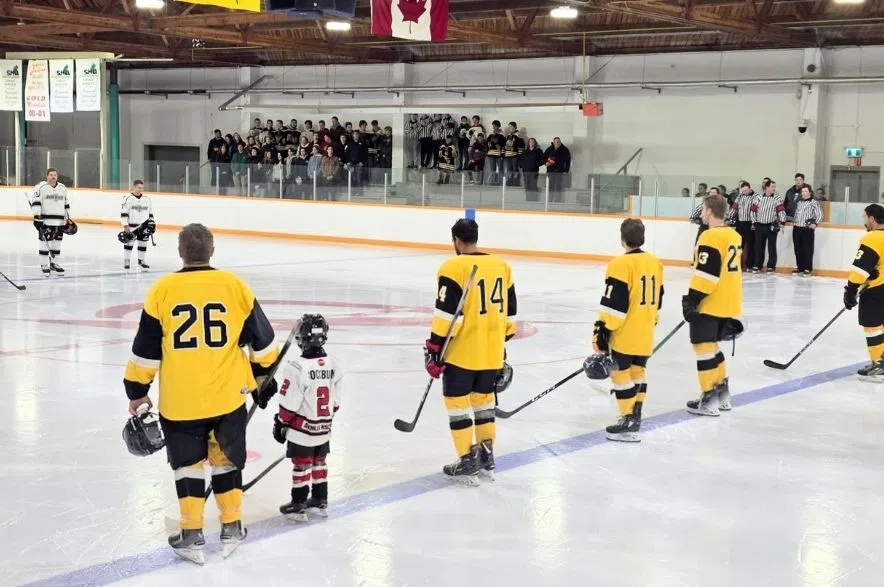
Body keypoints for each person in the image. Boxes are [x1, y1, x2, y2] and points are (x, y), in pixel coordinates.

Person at [123, 223, 280, 565]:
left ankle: (192, 533)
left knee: (187, 466)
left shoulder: (163, 290)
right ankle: (232, 527)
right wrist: (262, 378)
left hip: (181, 401)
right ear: (212, 251)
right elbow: (264, 342)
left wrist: (137, 390)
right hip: (227, 398)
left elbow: (146, 350)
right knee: (226, 461)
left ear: (180, 252)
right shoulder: (233, 285)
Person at [424, 218, 517, 485]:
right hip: (491, 353)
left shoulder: (453, 267)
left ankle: (467, 458)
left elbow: (446, 316)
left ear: (456, 241)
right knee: (484, 402)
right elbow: (511, 314)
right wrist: (501, 344)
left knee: (457, 405)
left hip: (462, 353)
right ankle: (487, 455)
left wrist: (435, 347)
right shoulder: (502, 266)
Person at [591, 218, 663, 442]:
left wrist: (602, 329)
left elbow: (614, 303)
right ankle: (636, 414)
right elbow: (659, 298)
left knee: (621, 373)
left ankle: (627, 418)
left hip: (626, 332)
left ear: (622, 239)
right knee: (638, 371)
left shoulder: (620, 264)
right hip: (646, 329)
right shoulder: (655, 262)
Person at [272, 314, 343, 521]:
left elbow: (288, 406)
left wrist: (280, 422)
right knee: (319, 462)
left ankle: (299, 503)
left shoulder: (296, 367)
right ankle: (320, 500)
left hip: (302, 431)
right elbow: (336, 403)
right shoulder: (334, 364)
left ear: (301, 338)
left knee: (301, 465)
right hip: (324, 428)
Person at [682, 194, 744, 416]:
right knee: (712, 347)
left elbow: (706, 274)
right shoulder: (734, 235)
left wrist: (692, 299)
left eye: (703, 209)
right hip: (729, 300)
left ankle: (708, 399)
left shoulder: (709, 237)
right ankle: (722, 395)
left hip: (711, 301)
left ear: (708, 211)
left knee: (703, 347)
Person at [844, 204, 884, 382]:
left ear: (873, 219)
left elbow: (860, 269)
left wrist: (851, 290)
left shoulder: (872, 238)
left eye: (865, 217)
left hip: (877, 290)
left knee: (873, 325)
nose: (864, 220)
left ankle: (879, 365)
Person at [31, 167, 70, 276]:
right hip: (45, 221)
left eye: (55, 175)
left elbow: (66, 203)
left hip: (59, 222)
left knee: (57, 244)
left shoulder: (62, 188)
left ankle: (54, 263)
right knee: (44, 244)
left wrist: (68, 217)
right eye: (51, 175)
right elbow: (36, 202)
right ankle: (44, 265)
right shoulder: (41, 187)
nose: (53, 177)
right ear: (47, 176)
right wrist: (36, 217)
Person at [749, 179, 786, 273]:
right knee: (758, 247)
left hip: (771, 225)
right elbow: (753, 211)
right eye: (772, 186)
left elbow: (781, 211)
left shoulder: (777, 198)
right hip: (760, 225)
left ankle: (771, 266)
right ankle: (757, 265)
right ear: (767, 187)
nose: (774, 188)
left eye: (774, 186)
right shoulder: (758, 198)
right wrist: (754, 222)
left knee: (771, 247)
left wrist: (782, 222)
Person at [120, 179, 154, 271]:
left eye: (142, 188)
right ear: (134, 187)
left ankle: (141, 260)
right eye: (139, 187)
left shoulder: (147, 199)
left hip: (144, 226)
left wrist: (151, 223)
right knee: (129, 243)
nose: (141, 189)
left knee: (143, 244)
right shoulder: (128, 198)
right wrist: (125, 225)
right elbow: (124, 213)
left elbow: (150, 213)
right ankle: (127, 260)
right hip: (132, 226)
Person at [791, 185, 822, 276]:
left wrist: (815, 223)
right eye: (802, 191)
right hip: (797, 228)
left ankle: (807, 268)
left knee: (807, 249)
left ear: (810, 192)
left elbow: (819, 214)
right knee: (798, 249)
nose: (803, 193)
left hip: (807, 229)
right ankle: (800, 267)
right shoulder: (799, 202)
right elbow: (796, 213)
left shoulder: (814, 202)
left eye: (805, 191)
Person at [733, 181, 756, 270]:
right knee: (738, 244)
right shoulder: (739, 196)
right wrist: (731, 218)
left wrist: (754, 222)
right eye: (743, 191)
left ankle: (749, 265)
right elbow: (734, 207)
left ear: (750, 189)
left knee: (751, 245)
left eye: (746, 190)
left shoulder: (756, 196)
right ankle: (737, 264)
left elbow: (755, 209)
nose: (744, 192)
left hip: (750, 223)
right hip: (740, 223)